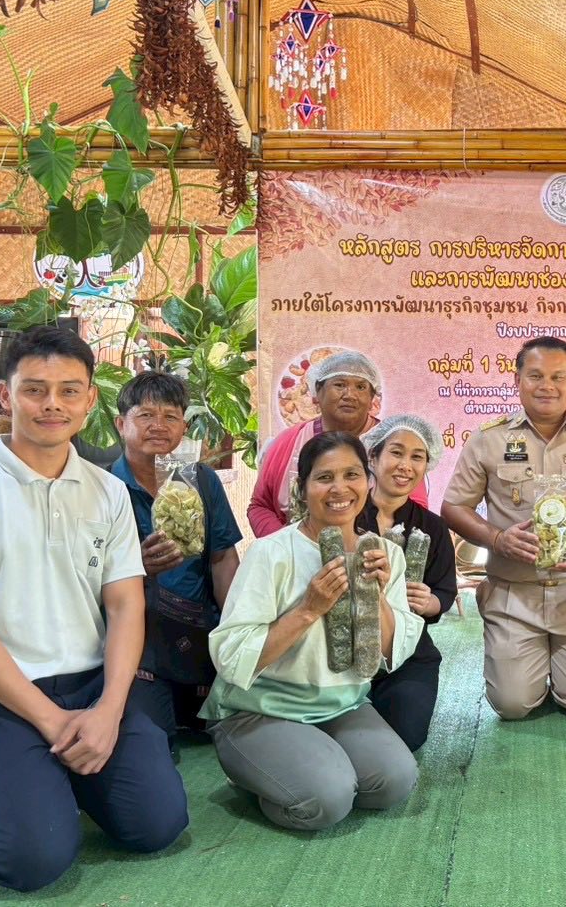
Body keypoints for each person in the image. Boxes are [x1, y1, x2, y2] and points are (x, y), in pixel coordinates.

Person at [0, 327, 187, 892]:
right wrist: (52, 722)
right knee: (32, 865)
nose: (52, 404)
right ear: (6, 395)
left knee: (157, 826)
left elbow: (126, 606)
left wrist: (107, 710)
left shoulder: (106, 493)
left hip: (92, 689)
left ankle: (47, 774)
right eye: (35, 390)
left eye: (68, 390)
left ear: (89, 400)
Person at [202, 432, 422, 830]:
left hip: (343, 705)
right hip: (260, 710)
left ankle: (304, 766)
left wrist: (378, 597)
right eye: (324, 478)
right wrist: (308, 609)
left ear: (368, 481)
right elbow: (231, 654)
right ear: (302, 488)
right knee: (328, 800)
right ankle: (256, 773)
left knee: (395, 780)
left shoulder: (384, 554)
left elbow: (392, 653)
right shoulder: (271, 552)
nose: (340, 489)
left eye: (352, 474)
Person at [442, 336, 566, 720]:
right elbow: (454, 507)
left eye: (557, 376)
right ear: (516, 381)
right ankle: (532, 673)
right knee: (513, 705)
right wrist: (497, 540)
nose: (546, 385)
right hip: (513, 594)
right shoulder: (489, 439)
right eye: (534, 375)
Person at [110, 371, 242, 743]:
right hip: (139, 636)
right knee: (152, 739)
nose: (159, 426)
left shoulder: (201, 480)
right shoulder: (105, 488)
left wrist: (236, 629)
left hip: (198, 628)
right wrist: (134, 566)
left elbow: (222, 559)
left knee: (226, 727)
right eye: (146, 415)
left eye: (170, 416)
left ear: (184, 426)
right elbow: (86, 575)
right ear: (122, 424)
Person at [359, 415, 457, 751]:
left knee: (406, 736)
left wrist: (432, 603)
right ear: (373, 457)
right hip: (342, 644)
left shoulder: (432, 527)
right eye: (397, 453)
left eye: (417, 457)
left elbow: (445, 590)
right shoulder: (344, 514)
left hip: (408, 650)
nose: (405, 465)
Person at [248, 351, 420, 537]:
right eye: (340, 385)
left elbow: (417, 512)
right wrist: (290, 547)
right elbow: (260, 506)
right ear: (317, 393)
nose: (350, 395)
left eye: (361, 387)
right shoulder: (288, 442)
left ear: (373, 399)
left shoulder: (397, 444)